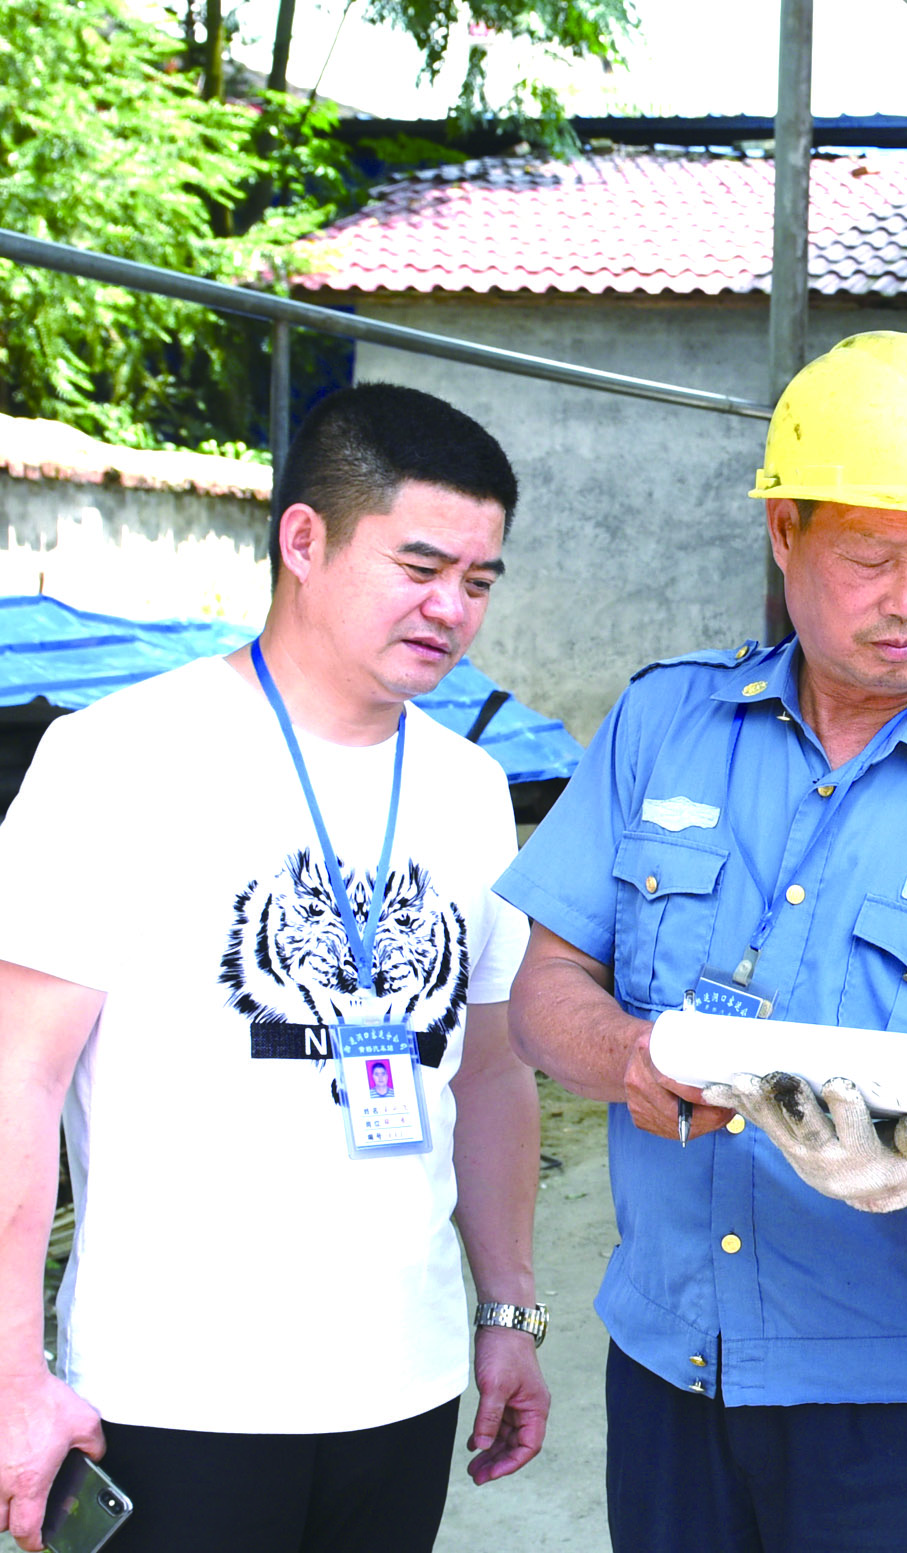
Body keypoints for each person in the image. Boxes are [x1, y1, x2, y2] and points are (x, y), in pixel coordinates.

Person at [498, 330, 907, 1553]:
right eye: (870, 557)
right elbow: (545, 983)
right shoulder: (663, 723)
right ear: (785, 531)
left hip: (902, 1410)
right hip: (669, 1363)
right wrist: (627, 1053)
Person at [0, 385, 548, 1553]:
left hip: (405, 1386)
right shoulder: (117, 759)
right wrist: (11, 1374)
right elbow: (19, 1083)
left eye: (480, 579)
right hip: (174, 1396)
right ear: (304, 540)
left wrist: (505, 1308)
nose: (452, 608)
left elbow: (491, 1071)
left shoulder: (466, 789)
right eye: (420, 565)